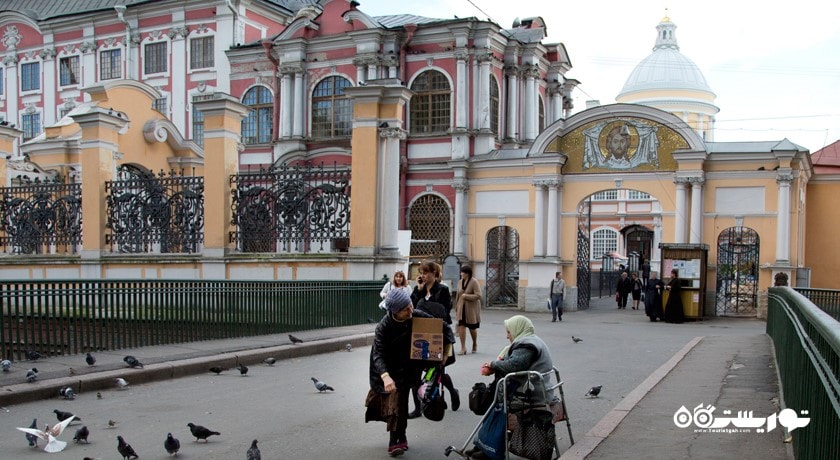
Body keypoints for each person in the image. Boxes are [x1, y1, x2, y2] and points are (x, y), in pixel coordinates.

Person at [465, 315, 556, 460]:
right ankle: (483, 446)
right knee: (494, 401)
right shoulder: (532, 340)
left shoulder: (527, 345)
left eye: (509, 332)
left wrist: (493, 364)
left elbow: (514, 365)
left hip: (531, 395)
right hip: (536, 389)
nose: (507, 336)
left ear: (517, 329)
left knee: (496, 406)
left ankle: (489, 449)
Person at [365, 288, 417, 457]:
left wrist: (443, 352)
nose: (410, 311)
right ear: (394, 311)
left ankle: (401, 436)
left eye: (410, 305)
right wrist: (386, 376)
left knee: (402, 404)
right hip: (387, 370)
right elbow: (378, 354)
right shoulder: (383, 327)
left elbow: (442, 328)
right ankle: (394, 440)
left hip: (407, 368)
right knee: (394, 404)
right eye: (405, 310)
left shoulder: (416, 315)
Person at [409, 261, 459, 417]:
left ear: (433, 273)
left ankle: (452, 391)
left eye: (425, 272)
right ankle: (418, 408)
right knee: (415, 374)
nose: (423, 275)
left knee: (436, 371)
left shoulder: (442, 290)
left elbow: (444, 311)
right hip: (419, 334)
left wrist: (425, 307)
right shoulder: (419, 290)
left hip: (437, 335)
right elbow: (411, 307)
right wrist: (418, 290)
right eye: (421, 273)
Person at [455, 265, 482, 354]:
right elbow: (458, 295)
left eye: (463, 272)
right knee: (461, 326)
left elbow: (478, 295)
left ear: (468, 274)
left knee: (472, 328)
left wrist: (466, 296)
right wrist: (456, 307)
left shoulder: (474, 282)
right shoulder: (460, 282)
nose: (461, 274)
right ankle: (463, 348)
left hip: (471, 309)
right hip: (461, 307)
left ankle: (474, 343)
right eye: (461, 272)